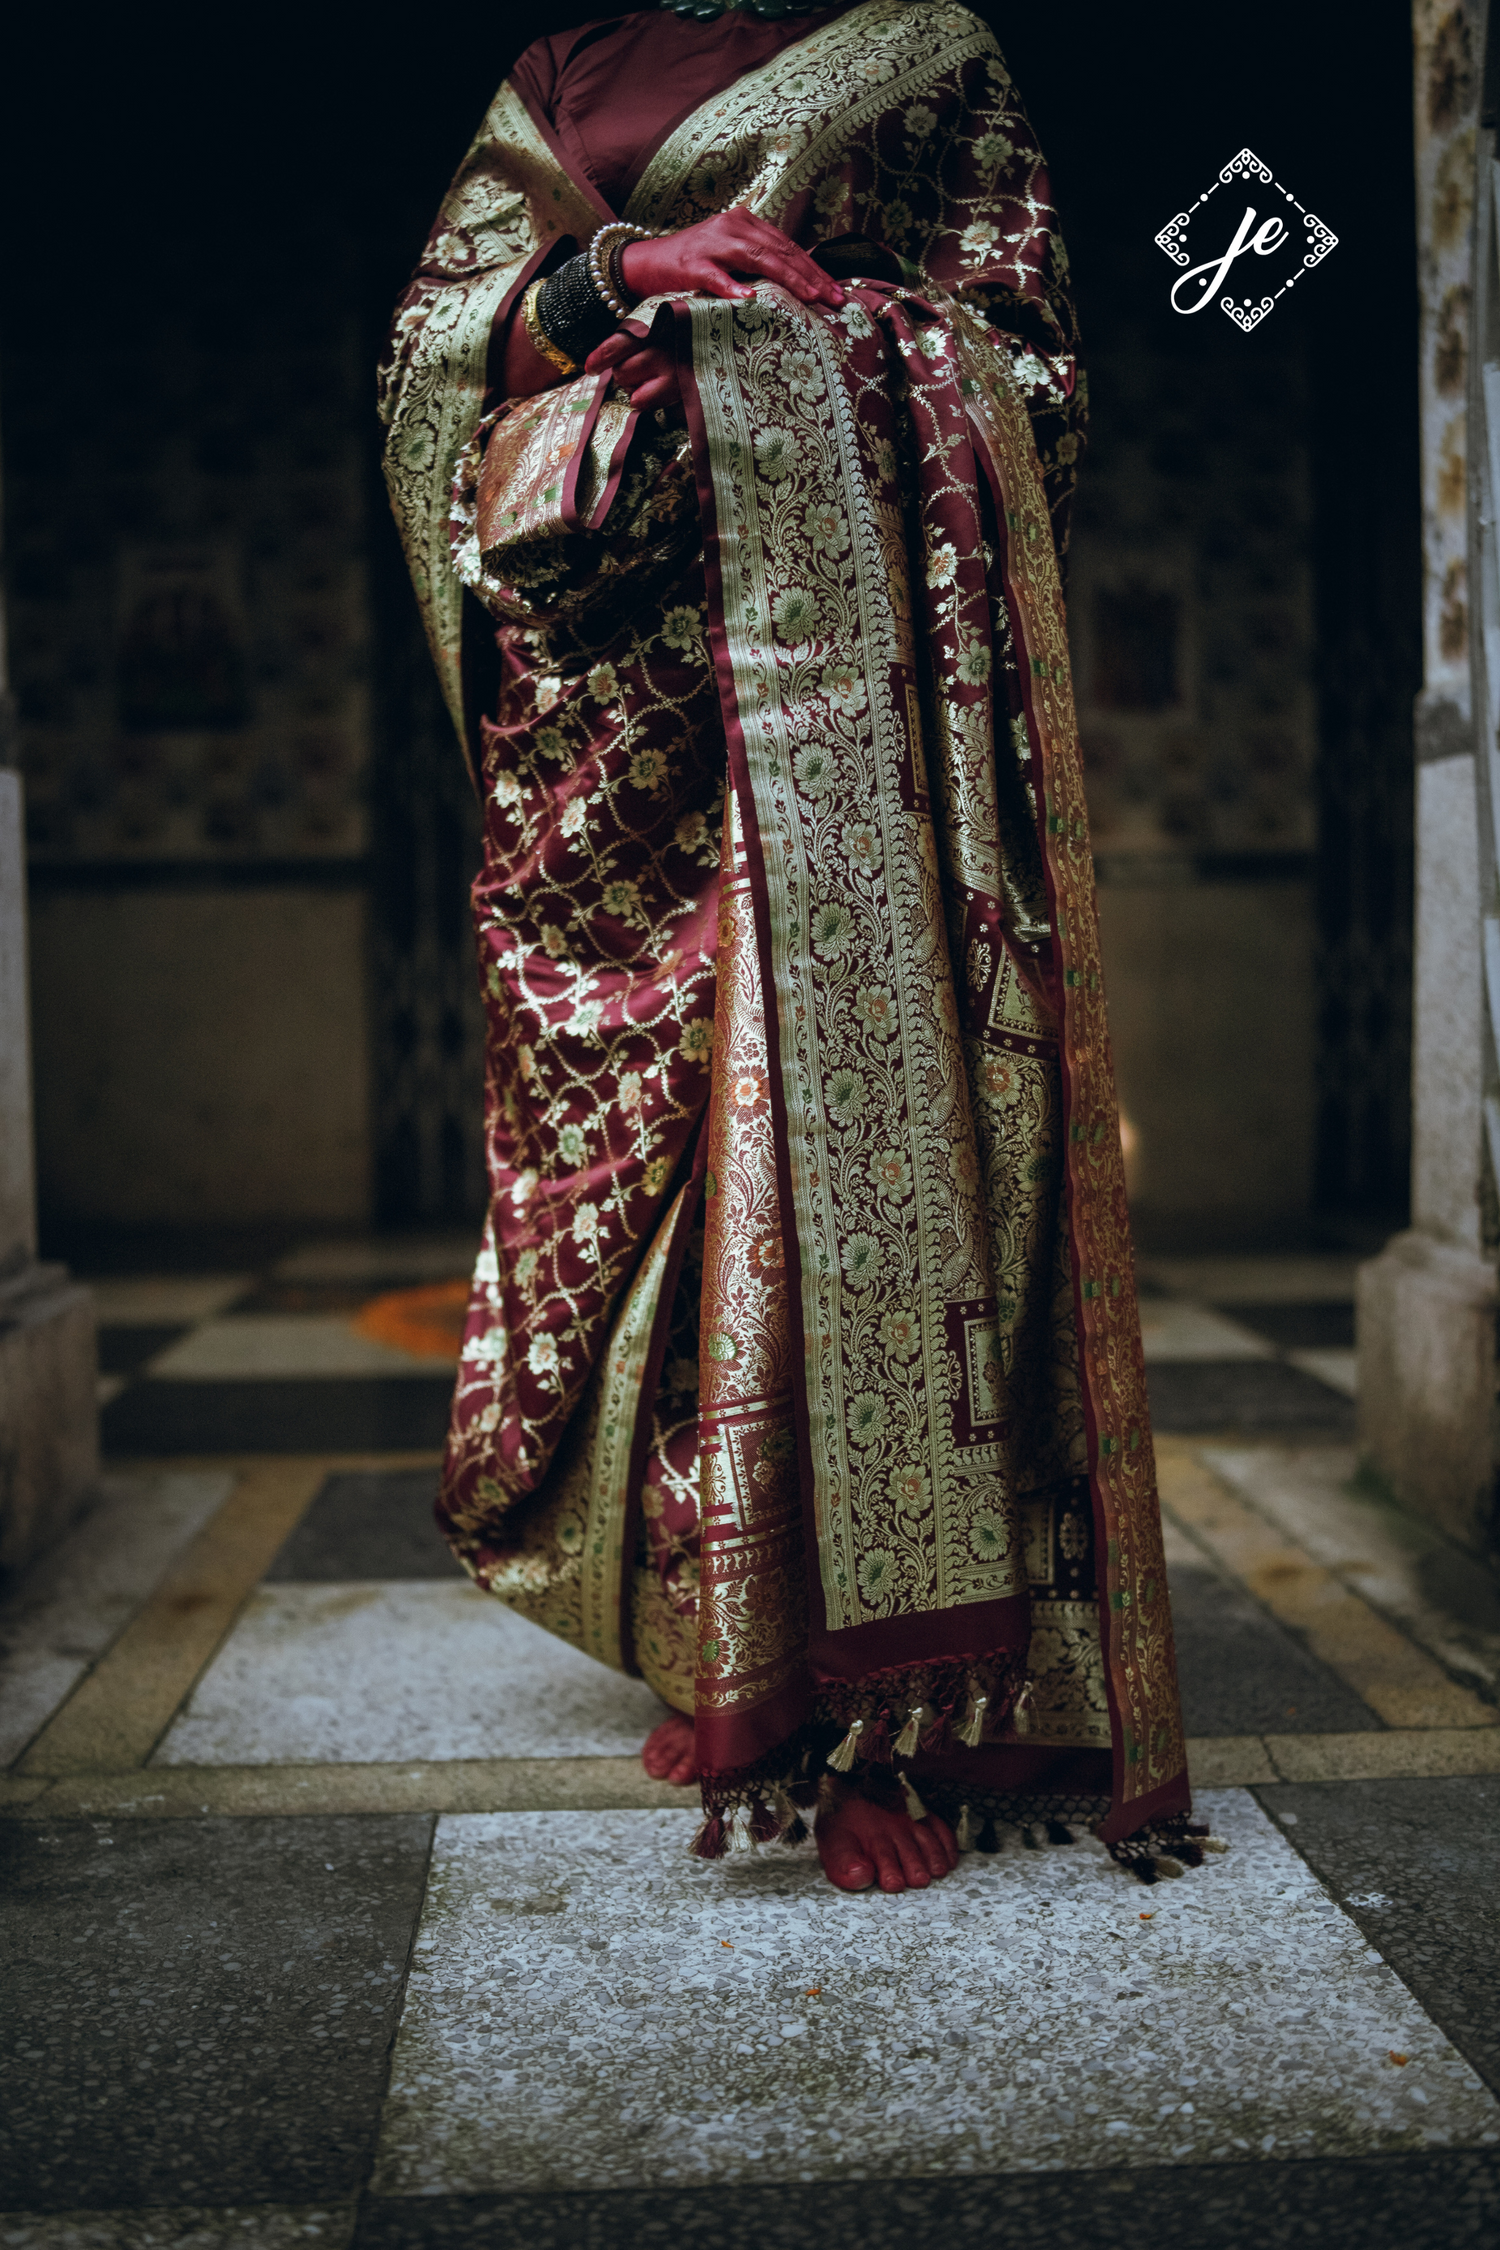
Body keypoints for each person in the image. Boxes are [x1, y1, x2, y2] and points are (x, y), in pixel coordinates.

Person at [380, 0, 1211, 1895]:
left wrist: (803, 350)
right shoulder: (557, 74)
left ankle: (864, 1716)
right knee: (651, 1205)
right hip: (602, 727)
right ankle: (712, 1621)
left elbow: (1037, 367)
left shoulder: (928, 56)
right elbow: (428, 360)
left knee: (847, 1176)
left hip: (849, 720)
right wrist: (614, 278)